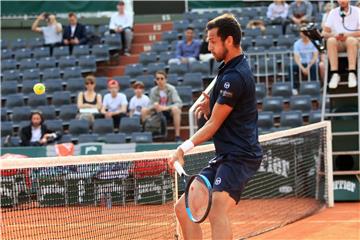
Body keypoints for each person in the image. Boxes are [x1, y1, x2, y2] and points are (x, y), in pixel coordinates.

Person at [169, 14, 262, 239]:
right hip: (225, 156)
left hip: (241, 156)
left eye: (212, 41)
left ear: (228, 41)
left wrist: (183, 148)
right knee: (183, 209)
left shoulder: (235, 76)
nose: (209, 46)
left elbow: (213, 124)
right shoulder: (229, 67)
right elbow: (225, 114)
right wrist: (214, 104)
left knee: (217, 207)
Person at [322, 0, 359, 89]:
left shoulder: (357, 11)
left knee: (350, 40)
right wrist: (335, 35)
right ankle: (335, 74)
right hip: (338, 41)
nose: (342, 1)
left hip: (353, 40)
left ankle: (352, 73)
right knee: (330, 41)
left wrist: (347, 35)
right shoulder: (333, 12)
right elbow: (324, 33)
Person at [142, 71, 183, 142]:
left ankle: (177, 136)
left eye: (162, 78)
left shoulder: (171, 89)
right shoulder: (153, 90)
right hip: (157, 112)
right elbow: (149, 106)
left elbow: (179, 103)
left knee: (176, 109)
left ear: (166, 79)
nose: (160, 81)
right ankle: (146, 134)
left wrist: (166, 108)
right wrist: (154, 106)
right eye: (158, 79)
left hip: (168, 112)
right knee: (144, 110)